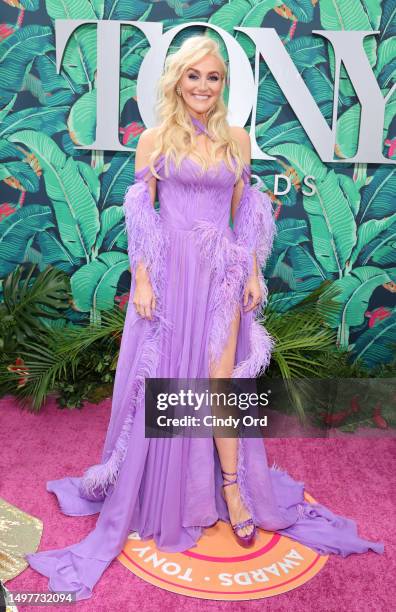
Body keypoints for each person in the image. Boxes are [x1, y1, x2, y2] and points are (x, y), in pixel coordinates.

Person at [25, 35, 384, 601]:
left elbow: (247, 215)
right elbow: (142, 217)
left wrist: (253, 274)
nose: (202, 86)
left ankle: (233, 489)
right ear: (176, 81)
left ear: (224, 85)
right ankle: (165, 488)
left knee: (221, 386)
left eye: (213, 77)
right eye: (193, 76)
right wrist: (141, 278)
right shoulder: (153, 141)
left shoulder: (237, 140)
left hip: (220, 278)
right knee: (168, 383)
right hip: (170, 279)